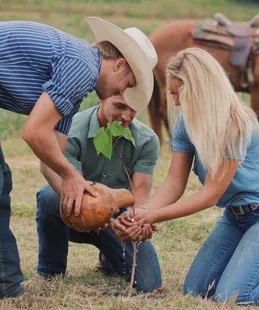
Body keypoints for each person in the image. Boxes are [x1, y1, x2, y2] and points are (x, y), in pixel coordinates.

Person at [117, 47, 259, 304]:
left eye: (177, 93)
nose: (174, 101)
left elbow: (210, 195)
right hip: (236, 217)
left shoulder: (233, 122)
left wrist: (152, 216)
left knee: (231, 297)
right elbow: (174, 183)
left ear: (198, 90)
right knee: (196, 290)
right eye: (171, 93)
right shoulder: (186, 124)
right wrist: (140, 213)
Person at [0, 17, 158, 301]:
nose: (122, 92)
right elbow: (34, 133)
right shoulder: (83, 65)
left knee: (1, 183)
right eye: (127, 83)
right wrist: (73, 176)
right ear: (119, 64)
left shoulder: (75, 88)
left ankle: (7, 288)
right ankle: (8, 290)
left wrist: (92, 208)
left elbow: (51, 160)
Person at [36, 95, 162, 292]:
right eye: (119, 106)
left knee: (149, 284)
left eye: (133, 109)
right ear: (102, 98)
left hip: (117, 220)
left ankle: (109, 258)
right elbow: (74, 189)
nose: (126, 116)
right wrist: (102, 215)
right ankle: (51, 270)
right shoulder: (70, 130)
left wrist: (139, 221)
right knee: (49, 197)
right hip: (75, 212)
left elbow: (140, 195)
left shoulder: (147, 140)